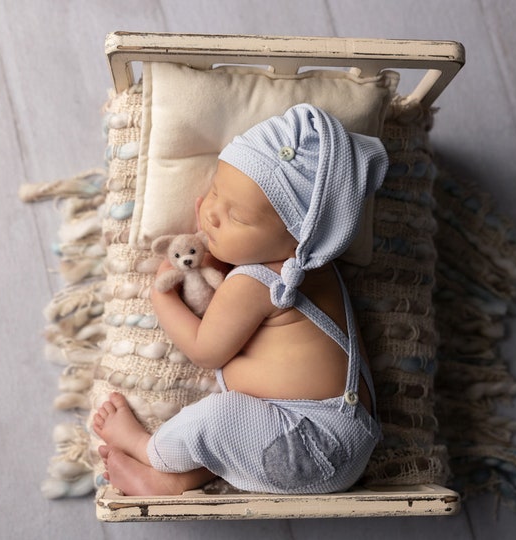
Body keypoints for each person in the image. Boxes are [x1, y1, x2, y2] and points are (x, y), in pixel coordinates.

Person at [93, 103, 389, 496]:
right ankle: (177, 479)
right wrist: (225, 238)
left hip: (310, 446)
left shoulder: (254, 283)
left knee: (221, 417)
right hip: (334, 438)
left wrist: (162, 294)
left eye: (238, 217)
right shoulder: (318, 269)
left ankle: (149, 451)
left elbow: (205, 350)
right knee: (238, 431)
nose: (212, 214)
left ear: (300, 237)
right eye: (215, 191)